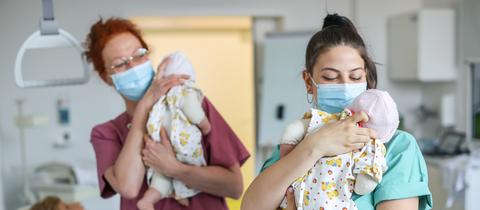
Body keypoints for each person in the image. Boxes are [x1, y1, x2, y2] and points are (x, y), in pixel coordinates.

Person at [241, 13, 432, 210]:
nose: (345, 86)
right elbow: (250, 206)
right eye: (331, 78)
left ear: (366, 78)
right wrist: (315, 146)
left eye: (355, 77)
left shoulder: (396, 148)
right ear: (308, 82)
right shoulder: (293, 146)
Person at [84, 17, 250, 210]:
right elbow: (128, 187)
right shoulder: (106, 133)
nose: (134, 66)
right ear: (107, 78)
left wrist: (175, 169)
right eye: (120, 64)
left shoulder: (191, 104)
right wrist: (144, 107)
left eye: (139, 55)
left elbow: (235, 187)